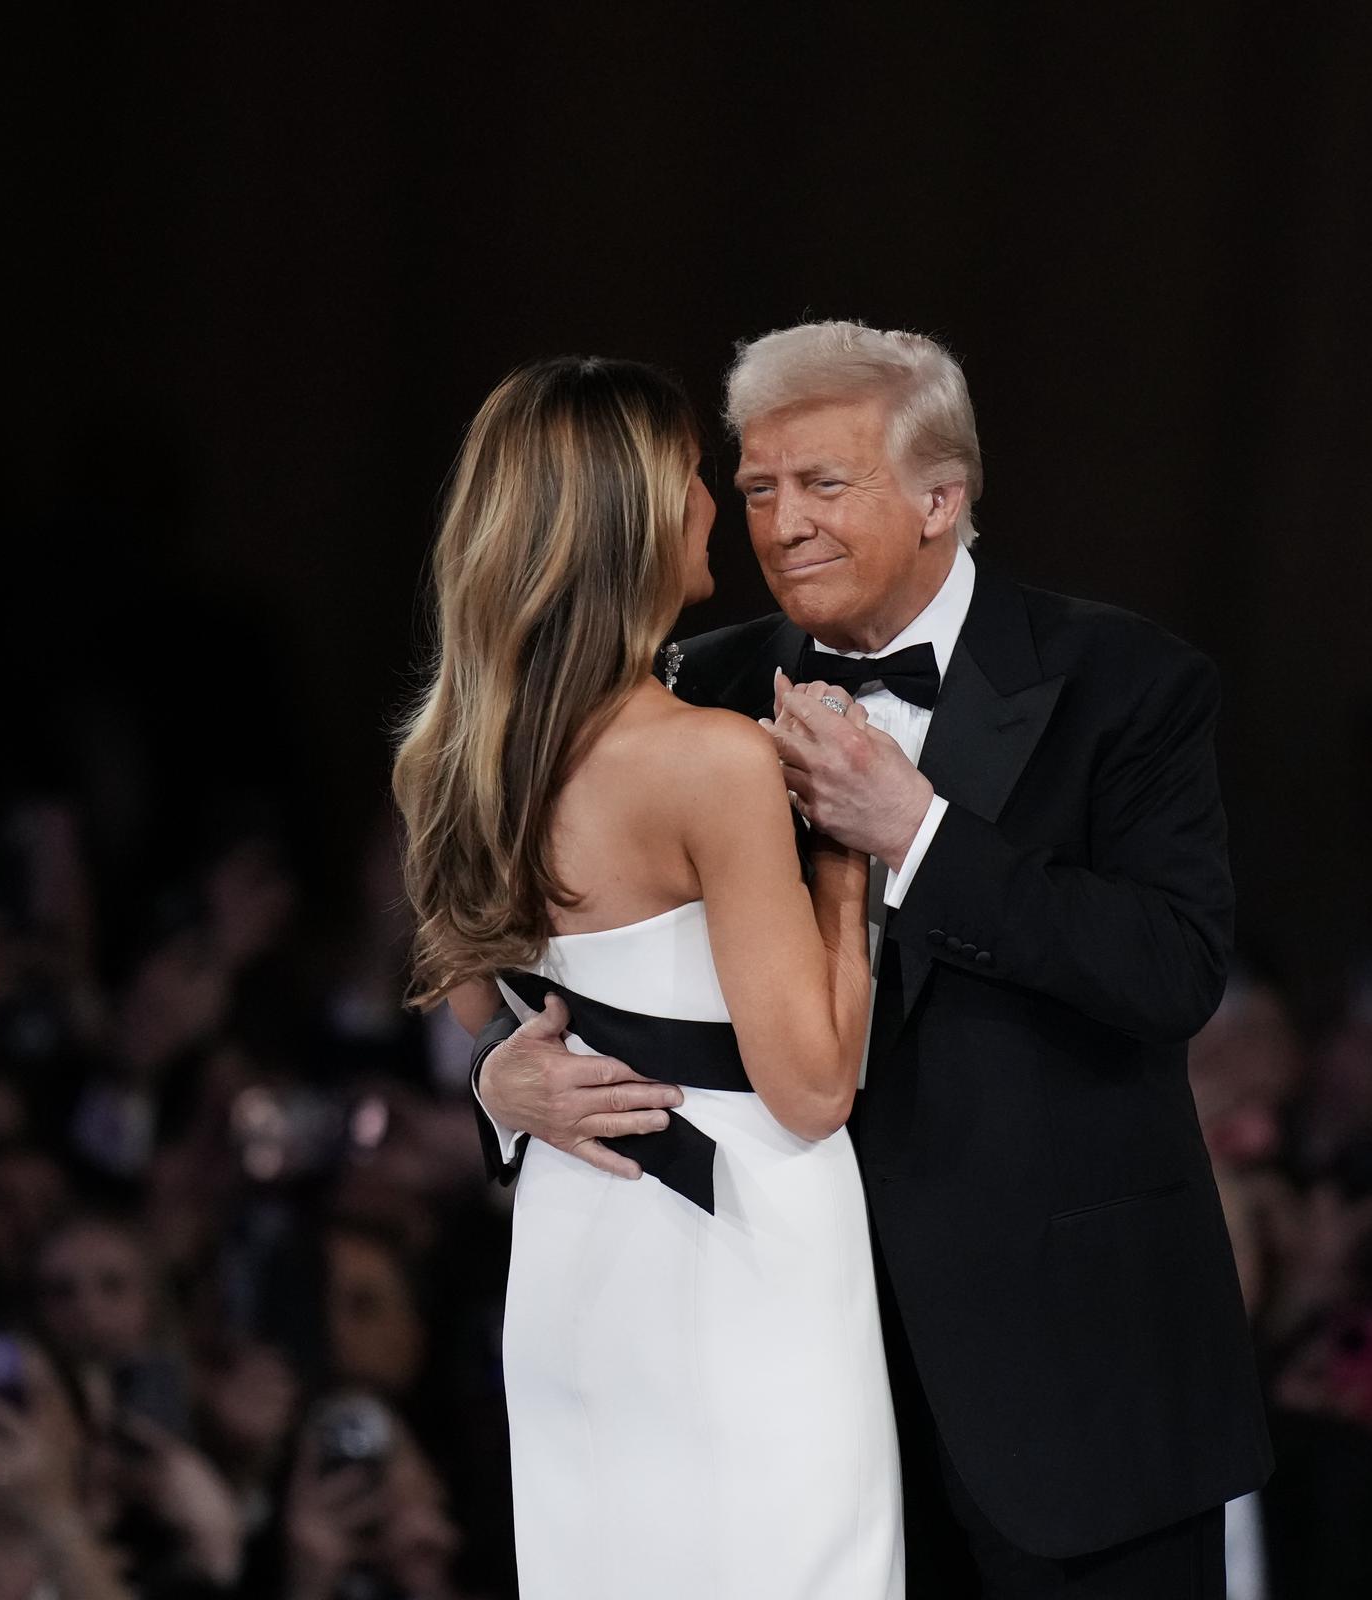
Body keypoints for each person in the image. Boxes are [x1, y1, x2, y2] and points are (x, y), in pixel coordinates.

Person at [463, 321, 1270, 1596]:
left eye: (825, 484)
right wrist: (500, 1082)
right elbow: (573, 955)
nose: (782, 524)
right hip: (794, 1371)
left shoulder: (1126, 680)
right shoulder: (694, 691)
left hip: (1074, 1386)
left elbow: (1171, 967)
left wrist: (921, 836)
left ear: (942, 496)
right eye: (760, 489)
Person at [394, 356, 890, 1595]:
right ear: (630, 519)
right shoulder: (711, 761)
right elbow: (815, 1086)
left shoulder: (455, 753)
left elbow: (478, 1017)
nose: (717, 502)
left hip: (578, 1236)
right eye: (691, 478)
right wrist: (842, 859)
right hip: (743, 1251)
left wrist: (505, 1091)